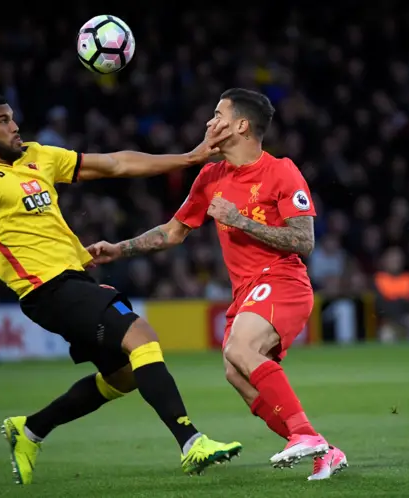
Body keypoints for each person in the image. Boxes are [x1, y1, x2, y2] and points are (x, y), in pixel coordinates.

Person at [0, 92, 242, 485]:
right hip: (46, 288)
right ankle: (191, 442)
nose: (14, 126)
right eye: (3, 120)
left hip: (73, 281)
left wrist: (190, 158)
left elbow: (117, 163)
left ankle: (31, 429)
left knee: (124, 377)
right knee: (142, 337)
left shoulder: (38, 156)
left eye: (12, 118)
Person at [87, 88, 348, 481]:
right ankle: (317, 443)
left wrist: (240, 220)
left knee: (240, 348)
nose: (209, 122)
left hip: (283, 280)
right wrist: (118, 250)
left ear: (241, 125)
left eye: (218, 114)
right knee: (235, 372)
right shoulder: (211, 176)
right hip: (246, 291)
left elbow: (304, 241)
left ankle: (304, 438)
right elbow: (173, 233)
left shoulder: (281, 171)